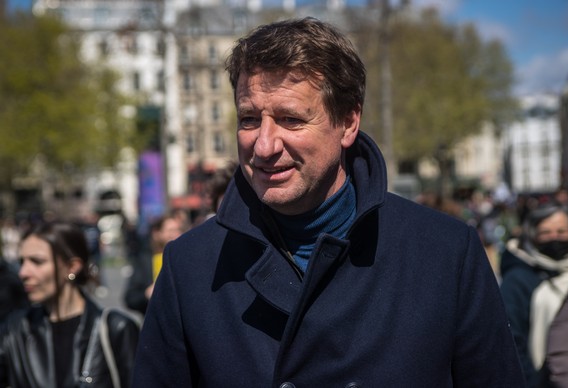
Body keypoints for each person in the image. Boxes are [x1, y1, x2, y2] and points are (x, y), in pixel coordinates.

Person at [132, 17, 525, 387]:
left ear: (349, 123)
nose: (264, 146)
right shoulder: (190, 268)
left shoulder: (445, 253)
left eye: (291, 120)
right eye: (249, 119)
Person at [0, 221, 140, 388]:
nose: (23, 272)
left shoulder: (116, 329)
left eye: (37, 262)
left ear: (72, 267)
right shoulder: (15, 330)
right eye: (22, 262)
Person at [499, 203, 568, 387]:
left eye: (562, 231)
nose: (554, 238)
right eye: (546, 232)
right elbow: (512, 338)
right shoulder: (518, 279)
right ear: (533, 235)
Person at [123, 214, 183, 316]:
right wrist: (147, 294)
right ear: (156, 233)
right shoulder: (145, 260)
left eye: (178, 230)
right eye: (170, 231)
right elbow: (130, 298)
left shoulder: (185, 258)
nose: (175, 234)